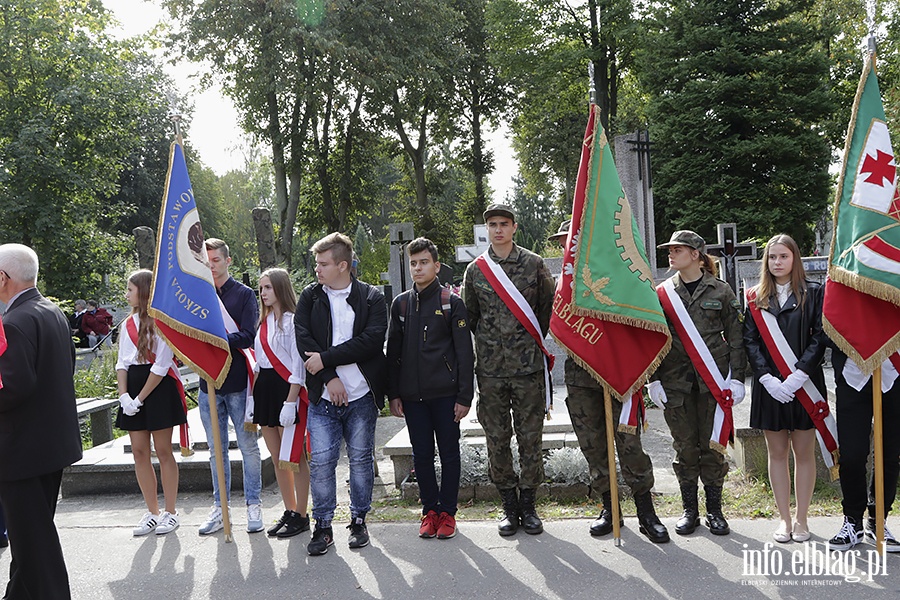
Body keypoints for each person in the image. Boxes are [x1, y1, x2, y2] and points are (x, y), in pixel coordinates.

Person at [548, 221, 669, 543]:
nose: (568, 247)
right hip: (581, 378)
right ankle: (609, 509)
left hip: (619, 376)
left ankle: (646, 512)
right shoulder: (561, 284)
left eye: (572, 240)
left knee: (630, 447)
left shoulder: (614, 277)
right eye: (564, 242)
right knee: (594, 449)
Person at [461, 204, 555, 536]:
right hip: (490, 370)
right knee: (497, 438)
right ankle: (508, 506)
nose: (498, 230)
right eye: (492, 225)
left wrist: (524, 343)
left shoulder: (534, 264)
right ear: (487, 229)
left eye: (504, 224)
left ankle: (528, 505)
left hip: (528, 369)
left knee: (530, 439)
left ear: (514, 227)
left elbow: (547, 311)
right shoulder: (476, 270)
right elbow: (470, 317)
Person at [647, 230, 746, 536]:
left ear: (696, 255)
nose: (670, 254)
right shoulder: (662, 293)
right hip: (675, 384)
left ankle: (715, 511)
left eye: (677, 249)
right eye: (670, 249)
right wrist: (654, 380)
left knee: (712, 447)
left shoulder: (721, 291)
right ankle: (690, 510)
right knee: (684, 448)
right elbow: (653, 338)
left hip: (712, 383)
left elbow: (737, 339)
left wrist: (738, 379)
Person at [294, 232, 387, 555]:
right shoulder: (310, 297)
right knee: (321, 463)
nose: (317, 269)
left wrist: (327, 359)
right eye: (317, 263)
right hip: (323, 397)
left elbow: (371, 341)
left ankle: (359, 520)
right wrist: (330, 377)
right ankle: (322, 527)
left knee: (361, 461)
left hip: (362, 396)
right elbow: (304, 341)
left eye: (323, 264)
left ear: (343, 265)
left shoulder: (372, 298)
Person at [0, 243, 83, 599]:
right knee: (28, 537)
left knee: (35, 545)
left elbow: (14, 386)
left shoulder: (14, 322)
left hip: (21, 450)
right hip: (50, 445)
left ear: (2, 278)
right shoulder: (52, 311)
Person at [387, 237, 474, 540]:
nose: (418, 268)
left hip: (446, 395)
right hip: (413, 398)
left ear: (436, 266)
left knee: (449, 454)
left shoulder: (452, 302)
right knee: (421, 455)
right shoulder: (400, 304)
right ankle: (430, 512)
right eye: (413, 263)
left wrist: (465, 396)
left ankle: (448, 512)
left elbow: (464, 353)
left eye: (424, 262)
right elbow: (393, 355)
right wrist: (394, 394)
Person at [743, 235, 826, 543]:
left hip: (805, 386)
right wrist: (765, 378)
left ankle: (803, 519)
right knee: (776, 453)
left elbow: (820, 337)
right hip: (770, 387)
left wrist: (798, 375)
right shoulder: (755, 297)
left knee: (804, 453)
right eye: (772, 257)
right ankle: (784, 519)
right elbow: (750, 340)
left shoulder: (814, 294)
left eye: (783, 256)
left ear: (795, 259)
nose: (776, 262)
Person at [197, 238, 263, 535]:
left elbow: (248, 335)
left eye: (216, 260)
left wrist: (217, 342)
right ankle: (220, 507)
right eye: (206, 260)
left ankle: (253, 504)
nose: (211, 265)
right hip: (207, 382)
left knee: (248, 446)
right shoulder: (197, 295)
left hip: (237, 382)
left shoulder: (244, 295)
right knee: (216, 450)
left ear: (228, 261)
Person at [115, 270, 187, 536]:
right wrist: (124, 396)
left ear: (143, 292)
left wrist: (140, 398)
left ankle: (170, 512)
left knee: (164, 449)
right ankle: (152, 512)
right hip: (132, 385)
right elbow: (122, 362)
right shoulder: (127, 324)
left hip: (157, 387)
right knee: (138, 451)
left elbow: (162, 364)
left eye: (130, 290)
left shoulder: (162, 321)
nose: (127, 294)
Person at [253, 268, 311, 538]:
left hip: (286, 390)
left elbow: (298, 366)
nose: (263, 293)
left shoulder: (291, 322)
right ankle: (289, 511)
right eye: (261, 288)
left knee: (295, 458)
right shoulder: (263, 323)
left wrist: (291, 401)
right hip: (265, 389)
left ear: (280, 288)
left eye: (267, 288)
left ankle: (302, 513)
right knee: (278, 458)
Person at [827, 348, 900, 552]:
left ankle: (878, 520)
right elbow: (826, 324)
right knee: (852, 455)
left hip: (894, 370)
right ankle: (852, 521)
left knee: (890, 455)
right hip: (853, 371)